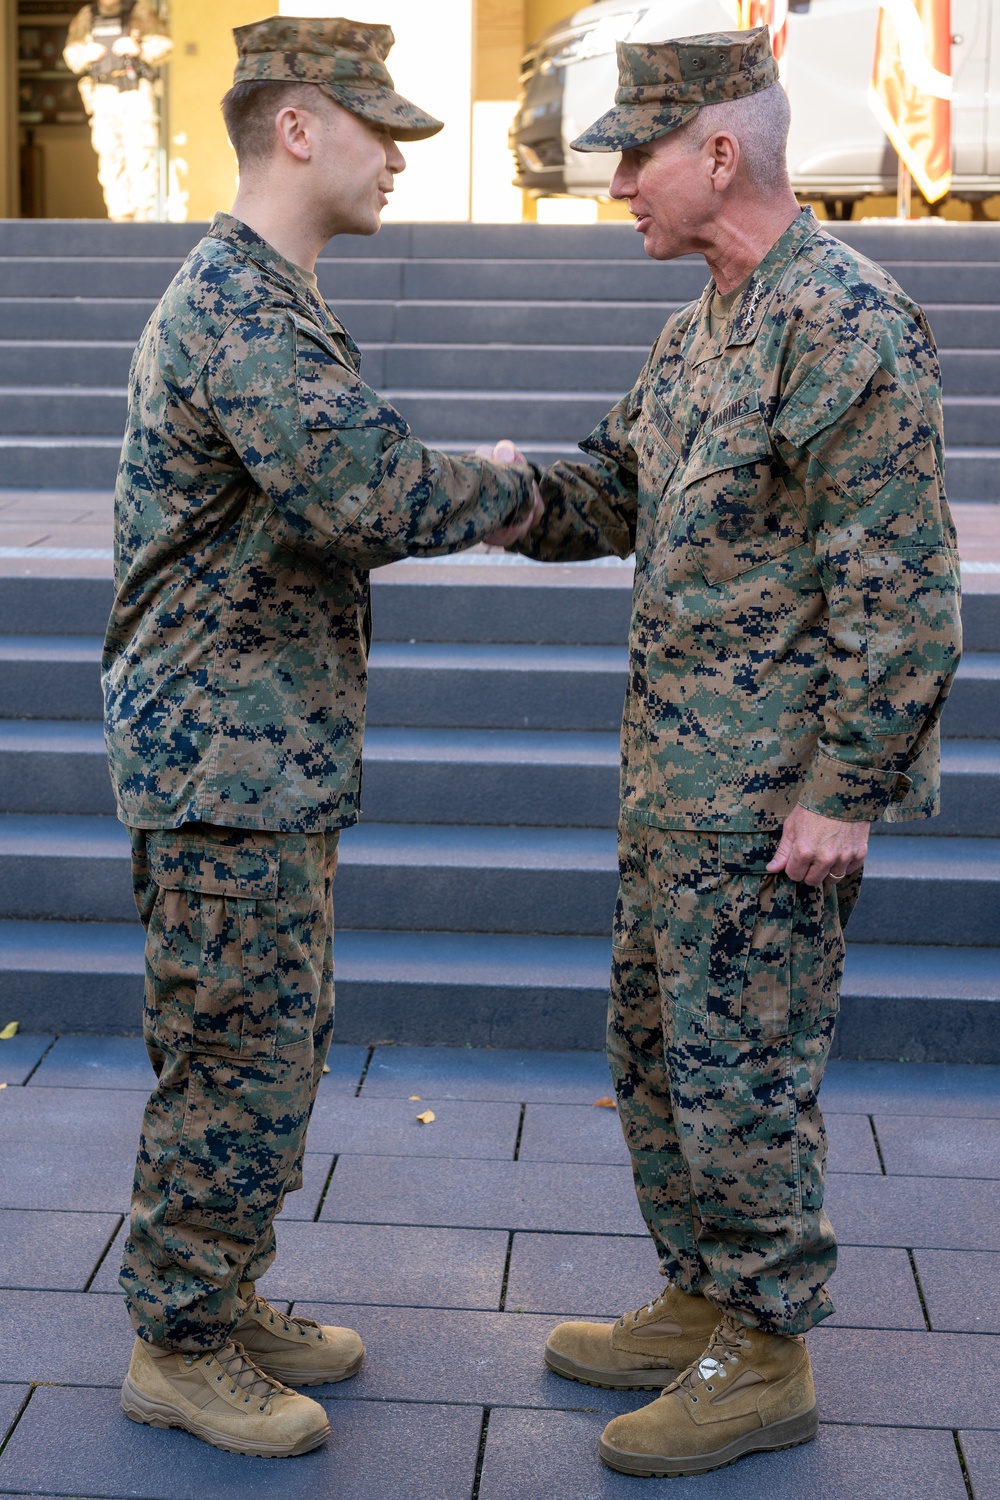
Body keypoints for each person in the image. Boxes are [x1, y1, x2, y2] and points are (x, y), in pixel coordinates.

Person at [495, 28, 961, 1479]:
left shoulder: (845, 323)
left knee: (742, 1072)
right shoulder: (705, 322)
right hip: (678, 786)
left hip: (768, 802)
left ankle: (763, 1352)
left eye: (634, 156)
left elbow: (905, 589)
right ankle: (700, 1294)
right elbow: (619, 486)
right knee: (656, 1056)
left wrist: (844, 793)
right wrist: (487, 495)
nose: (616, 184)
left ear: (716, 153)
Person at [102, 15, 540, 1460]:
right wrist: (498, 481)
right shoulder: (237, 304)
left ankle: (220, 1294)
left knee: (270, 1045)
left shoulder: (268, 297)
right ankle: (177, 1342)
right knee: (233, 1053)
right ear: (298, 126)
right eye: (380, 127)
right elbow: (359, 494)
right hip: (223, 760)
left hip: (257, 756)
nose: (402, 153)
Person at [63, 0, 172, 222]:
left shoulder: (139, 10)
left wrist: (139, 48)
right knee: (110, 154)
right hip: (103, 92)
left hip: (134, 91)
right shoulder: (88, 15)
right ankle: (120, 218)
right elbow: (71, 56)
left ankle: (143, 219)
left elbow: (166, 45)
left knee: (140, 153)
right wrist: (86, 53)